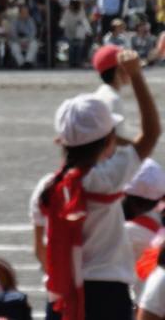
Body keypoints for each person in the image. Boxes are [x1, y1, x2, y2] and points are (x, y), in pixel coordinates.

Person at [40, 49, 160, 320]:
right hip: (107, 292)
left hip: (62, 293)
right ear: (109, 141)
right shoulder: (106, 180)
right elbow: (151, 133)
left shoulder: (51, 186)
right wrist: (137, 75)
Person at [92, 44, 136, 145]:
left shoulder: (102, 93)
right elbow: (116, 142)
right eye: (126, 65)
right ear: (118, 70)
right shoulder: (113, 99)